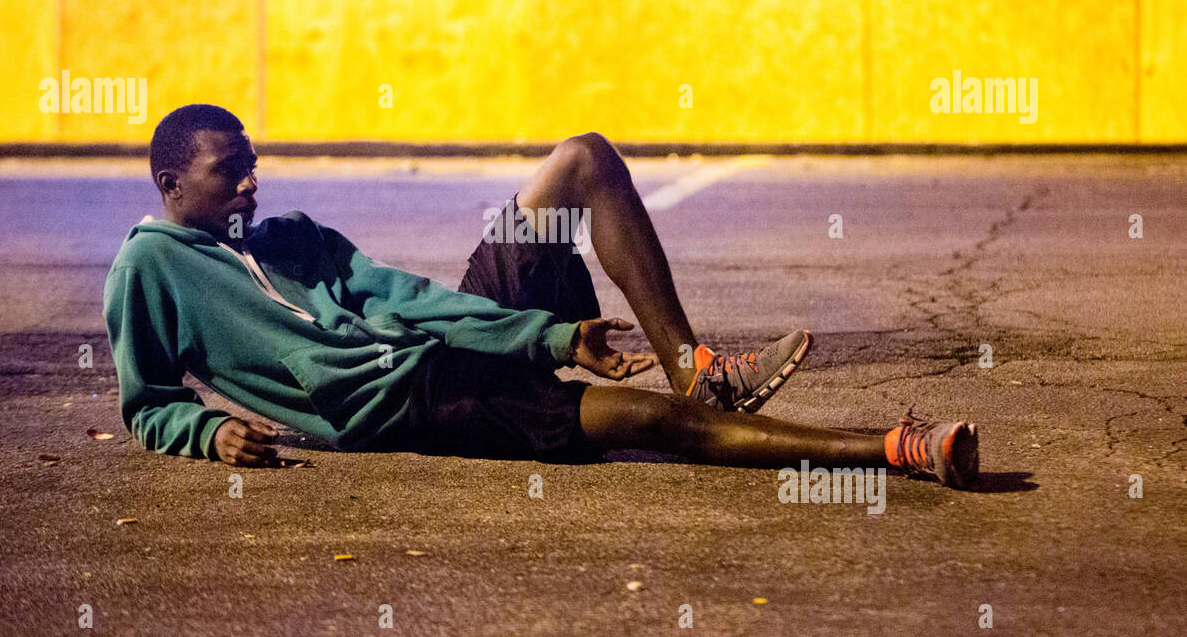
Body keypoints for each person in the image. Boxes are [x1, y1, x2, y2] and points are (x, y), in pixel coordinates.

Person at [103, 104, 979, 489]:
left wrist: (545, 337)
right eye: (232, 171)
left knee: (583, 161)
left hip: (443, 345)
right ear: (174, 181)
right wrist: (208, 430)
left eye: (254, 162)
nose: (252, 181)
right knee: (644, 427)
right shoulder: (150, 270)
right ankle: (898, 448)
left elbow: (407, 297)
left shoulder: (290, 235)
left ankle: (696, 365)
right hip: (417, 406)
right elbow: (147, 403)